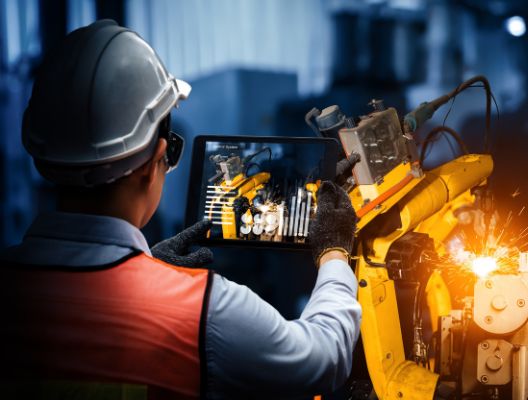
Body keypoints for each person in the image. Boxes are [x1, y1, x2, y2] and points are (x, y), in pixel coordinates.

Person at [0, 20, 361, 399]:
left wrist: (148, 267)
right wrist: (334, 250)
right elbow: (323, 360)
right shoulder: (203, 309)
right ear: (156, 158)